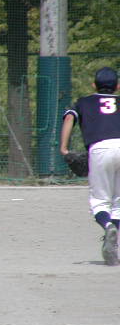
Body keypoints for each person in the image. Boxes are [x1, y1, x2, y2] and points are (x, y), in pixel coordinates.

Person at [60, 66, 120, 266]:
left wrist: (64, 148)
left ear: (94, 85)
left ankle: (107, 225)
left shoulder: (84, 102)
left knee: (100, 202)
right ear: (118, 86)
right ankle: (113, 241)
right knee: (118, 203)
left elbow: (69, 117)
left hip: (100, 149)